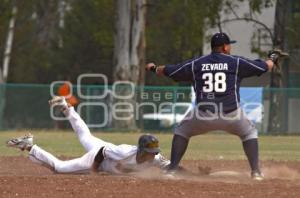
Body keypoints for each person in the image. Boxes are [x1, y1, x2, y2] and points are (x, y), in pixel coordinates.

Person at [146, 32, 286, 181]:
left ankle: (171, 170)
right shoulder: (236, 62)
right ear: (225, 47)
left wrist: (154, 68)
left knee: (182, 131)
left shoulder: (196, 63)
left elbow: (170, 70)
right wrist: (272, 58)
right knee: (249, 133)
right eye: (229, 44)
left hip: (203, 115)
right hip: (231, 114)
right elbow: (264, 67)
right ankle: (256, 173)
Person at [6, 96, 170, 174]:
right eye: (150, 153)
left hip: (105, 150)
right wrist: (94, 169)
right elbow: (102, 151)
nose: (153, 156)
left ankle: (66, 106)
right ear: (141, 150)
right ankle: (28, 145)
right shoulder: (125, 152)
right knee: (60, 168)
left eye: (154, 152)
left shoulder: (155, 158)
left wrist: (195, 175)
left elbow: (172, 166)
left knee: (84, 135)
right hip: (97, 156)